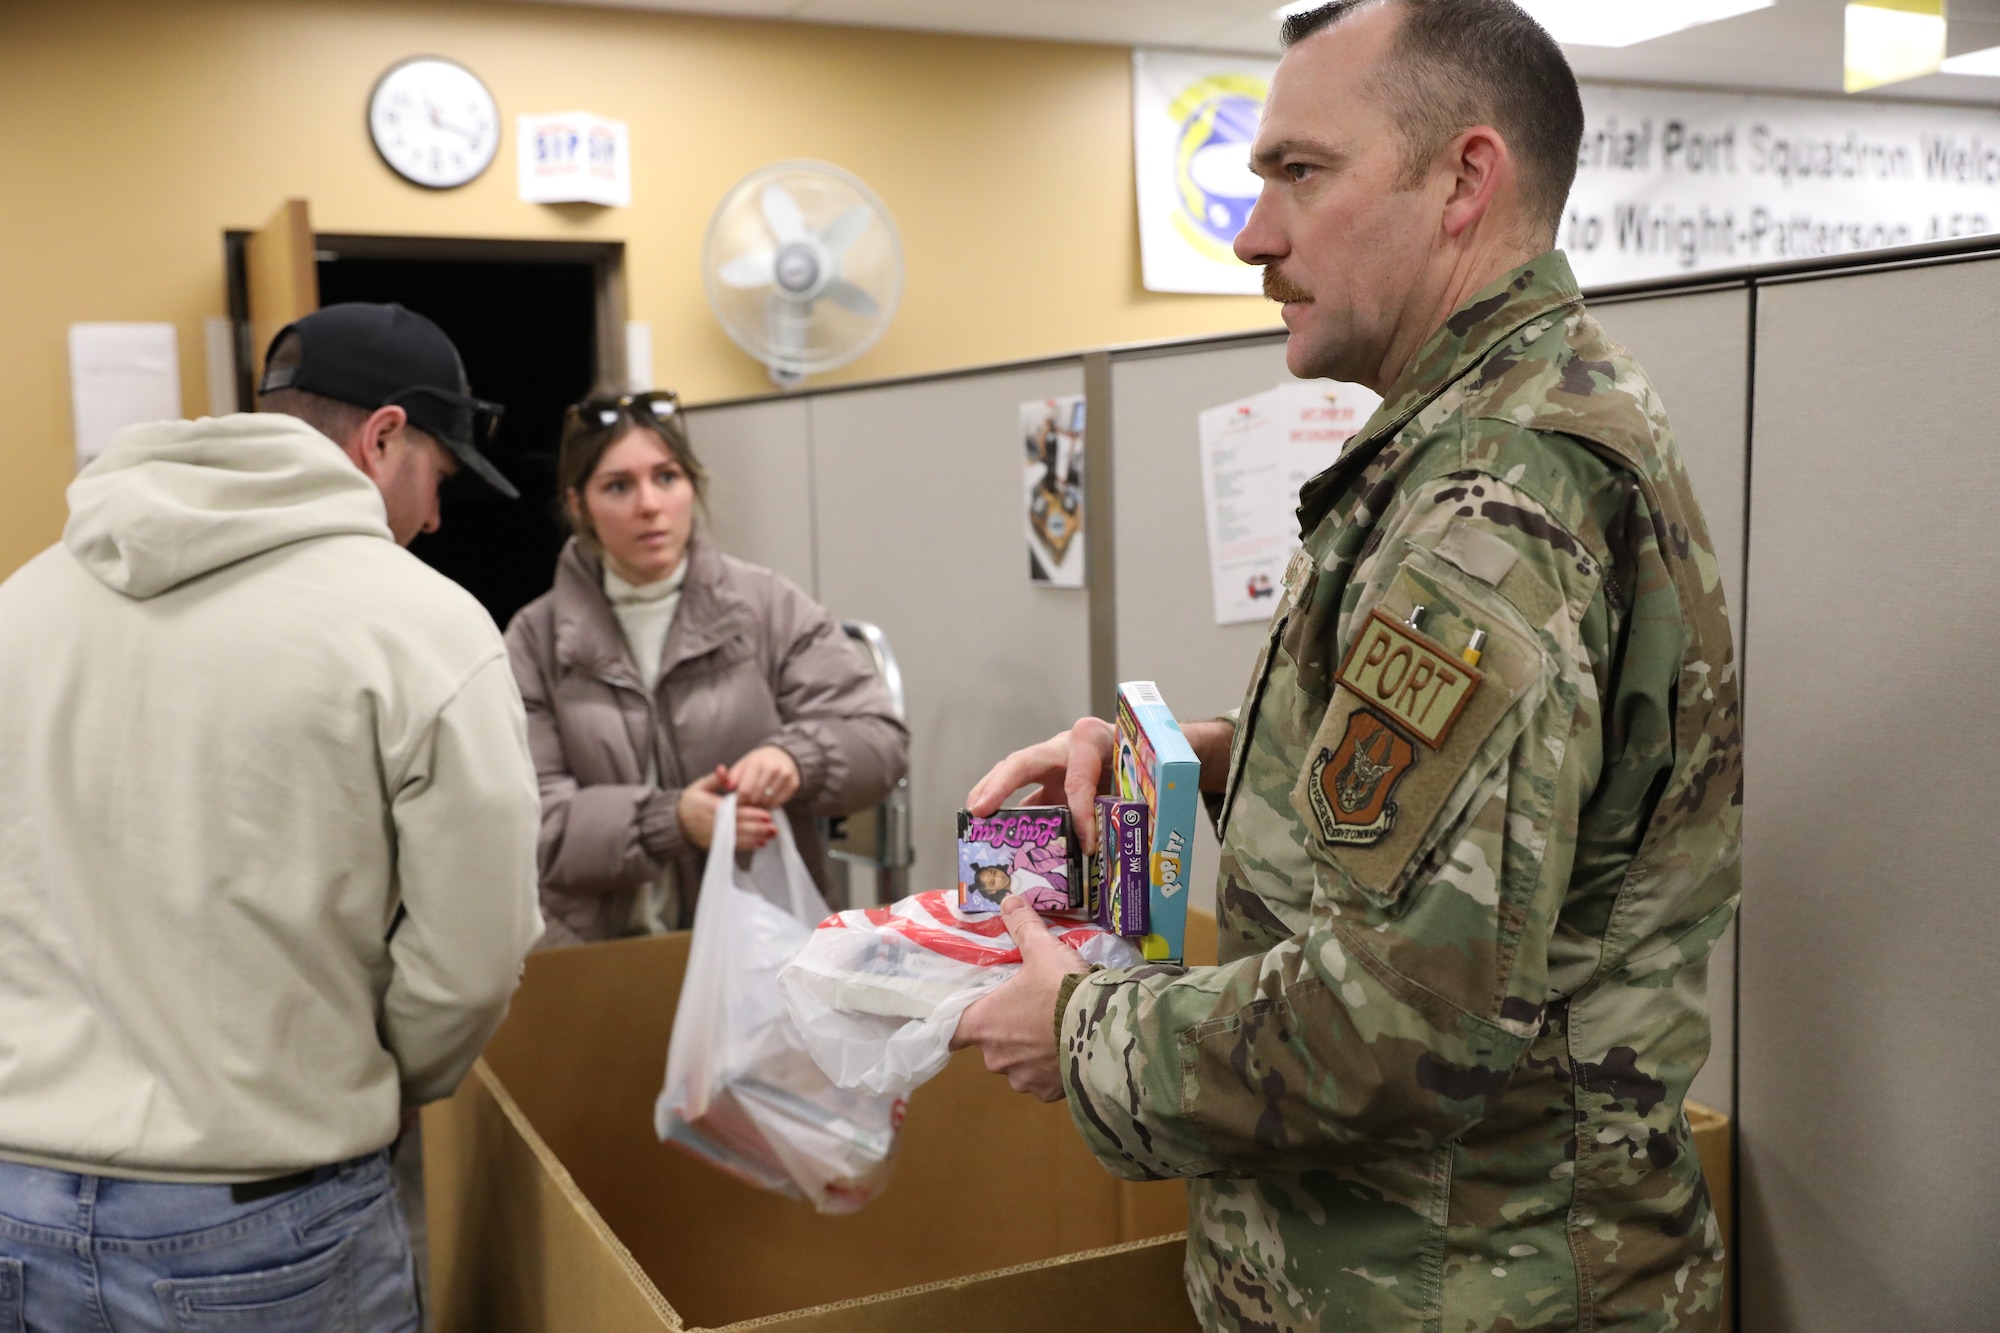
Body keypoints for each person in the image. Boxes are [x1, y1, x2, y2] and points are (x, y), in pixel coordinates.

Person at [956, 3, 1741, 1330]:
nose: (1252, 235)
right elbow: (1458, 822)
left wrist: (1080, 1030)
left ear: (1464, 182)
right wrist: (1191, 760)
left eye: (1300, 173)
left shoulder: (1494, 504)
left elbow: (1397, 1024)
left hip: (1470, 1290)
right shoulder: (1492, 436)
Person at [0, 302, 543, 1332]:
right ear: (383, 438)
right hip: (258, 1214)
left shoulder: (23, 600)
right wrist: (364, 1073)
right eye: (439, 475)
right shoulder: (419, 623)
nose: (433, 516)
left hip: (12, 1200)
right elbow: (475, 955)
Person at [506, 390, 908, 946]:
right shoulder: (534, 639)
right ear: (578, 505)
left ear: (692, 485)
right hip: (596, 955)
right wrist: (671, 821)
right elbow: (530, 820)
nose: (649, 504)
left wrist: (796, 757)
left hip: (760, 948)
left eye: (666, 477)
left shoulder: (765, 606)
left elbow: (878, 739)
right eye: (618, 486)